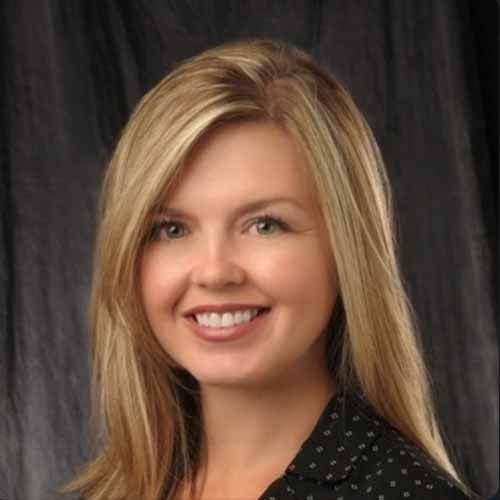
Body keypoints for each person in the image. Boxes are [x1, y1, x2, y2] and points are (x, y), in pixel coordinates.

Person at [60, 39, 482, 500]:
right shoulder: (114, 490)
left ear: (345, 252)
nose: (215, 271)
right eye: (172, 230)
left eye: (264, 225)